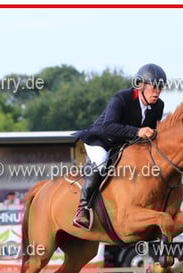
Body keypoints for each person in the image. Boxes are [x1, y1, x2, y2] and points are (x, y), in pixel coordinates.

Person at [71, 63, 167, 230]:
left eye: (160, 87)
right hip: (101, 139)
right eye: (154, 87)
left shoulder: (158, 106)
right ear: (140, 85)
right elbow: (109, 126)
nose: (157, 92)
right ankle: (83, 208)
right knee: (101, 161)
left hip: (125, 144)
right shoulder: (122, 98)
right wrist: (138, 131)